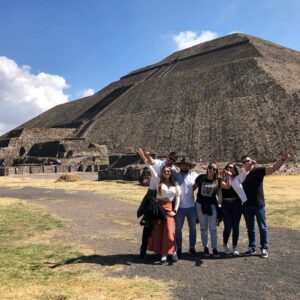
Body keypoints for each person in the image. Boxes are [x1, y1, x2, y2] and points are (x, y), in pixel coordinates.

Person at [241, 150, 291, 258]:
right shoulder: (242, 175)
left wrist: (282, 159)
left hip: (259, 204)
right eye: (244, 162)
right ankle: (251, 247)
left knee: (262, 227)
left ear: (251, 161)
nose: (246, 163)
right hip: (247, 205)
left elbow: (273, 168)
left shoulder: (258, 171)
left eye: (248, 160)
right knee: (250, 228)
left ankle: (264, 248)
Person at [137, 148, 178, 260]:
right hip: (153, 195)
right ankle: (143, 251)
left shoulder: (173, 170)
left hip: (165, 197)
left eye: (173, 160)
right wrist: (146, 156)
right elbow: (151, 162)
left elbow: (175, 183)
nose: (171, 161)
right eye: (170, 158)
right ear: (167, 157)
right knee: (148, 224)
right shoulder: (159, 163)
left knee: (165, 226)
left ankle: (168, 250)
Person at [194, 162, 231, 258]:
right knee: (203, 227)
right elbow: (192, 188)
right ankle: (205, 247)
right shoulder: (200, 178)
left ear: (216, 171)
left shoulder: (217, 180)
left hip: (212, 206)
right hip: (200, 205)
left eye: (214, 169)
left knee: (213, 228)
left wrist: (228, 176)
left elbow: (227, 186)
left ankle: (214, 247)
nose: (212, 170)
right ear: (207, 168)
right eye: (210, 168)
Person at [147, 164, 181, 262]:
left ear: (171, 173)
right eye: (165, 171)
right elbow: (152, 170)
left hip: (169, 208)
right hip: (159, 208)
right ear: (162, 172)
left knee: (170, 232)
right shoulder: (159, 182)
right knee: (159, 231)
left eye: (168, 171)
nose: (166, 173)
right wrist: (145, 158)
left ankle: (173, 251)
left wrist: (175, 211)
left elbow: (178, 198)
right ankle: (164, 253)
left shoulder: (175, 184)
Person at [173, 157, 198, 257]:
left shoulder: (194, 175)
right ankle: (179, 248)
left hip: (192, 206)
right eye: (182, 164)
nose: (184, 166)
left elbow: (199, 184)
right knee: (178, 229)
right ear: (180, 166)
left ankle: (192, 247)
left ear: (189, 166)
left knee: (193, 228)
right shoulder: (175, 175)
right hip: (179, 207)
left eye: (186, 164)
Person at [220, 163, 245, 256]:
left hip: (237, 204)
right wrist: (227, 176)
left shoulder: (238, 178)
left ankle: (235, 247)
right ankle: (225, 245)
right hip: (226, 204)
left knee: (236, 226)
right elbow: (227, 186)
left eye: (232, 168)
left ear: (235, 170)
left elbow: (245, 173)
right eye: (228, 167)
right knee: (228, 226)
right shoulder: (222, 179)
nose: (230, 169)